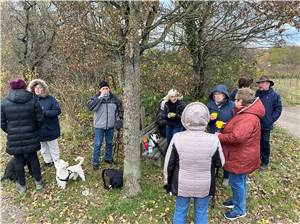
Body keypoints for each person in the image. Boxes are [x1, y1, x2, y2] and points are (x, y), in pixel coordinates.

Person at [164, 102, 225, 224]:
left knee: (180, 210)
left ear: (185, 118)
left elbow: (168, 164)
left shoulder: (177, 137)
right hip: (204, 184)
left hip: (182, 183)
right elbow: (220, 163)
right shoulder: (213, 139)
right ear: (206, 118)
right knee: (201, 212)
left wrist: (167, 182)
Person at [218, 88, 265, 220]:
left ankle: (239, 210)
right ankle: (237, 201)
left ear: (242, 102)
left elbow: (237, 137)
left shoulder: (248, 118)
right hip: (242, 155)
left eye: (236, 100)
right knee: (240, 180)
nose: (234, 101)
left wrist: (220, 136)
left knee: (237, 182)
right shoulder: (245, 113)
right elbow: (240, 130)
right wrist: (227, 126)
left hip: (241, 156)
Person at [1, 78, 44, 193]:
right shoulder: (33, 99)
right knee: (33, 158)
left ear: (11, 88)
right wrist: (33, 129)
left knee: (18, 160)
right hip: (31, 134)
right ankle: (38, 182)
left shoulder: (4, 103)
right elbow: (40, 118)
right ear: (24, 87)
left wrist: (11, 132)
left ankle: (22, 186)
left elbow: (2, 124)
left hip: (14, 137)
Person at [87, 80, 122, 170]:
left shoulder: (114, 99)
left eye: (107, 88)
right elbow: (90, 107)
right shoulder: (95, 98)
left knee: (109, 143)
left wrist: (119, 120)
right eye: (103, 88)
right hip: (99, 126)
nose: (105, 90)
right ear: (100, 90)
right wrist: (100, 97)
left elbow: (119, 110)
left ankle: (108, 158)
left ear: (109, 89)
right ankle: (95, 162)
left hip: (110, 125)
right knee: (98, 144)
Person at [28, 79, 61, 167]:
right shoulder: (31, 100)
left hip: (51, 127)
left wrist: (45, 112)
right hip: (39, 129)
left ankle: (56, 161)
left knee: (53, 146)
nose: (38, 89)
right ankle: (48, 161)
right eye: (36, 88)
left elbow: (57, 111)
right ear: (33, 89)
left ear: (43, 89)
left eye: (40, 88)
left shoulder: (50, 99)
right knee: (43, 147)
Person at [207, 84, 234, 186]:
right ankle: (213, 173)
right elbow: (205, 121)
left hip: (225, 134)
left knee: (225, 155)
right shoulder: (210, 105)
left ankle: (226, 177)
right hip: (212, 133)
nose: (217, 96)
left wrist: (225, 125)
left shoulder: (231, 105)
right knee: (213, 154)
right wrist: (209, 119)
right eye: (215, 94)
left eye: (219, 94)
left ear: (224, 95)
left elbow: (236, 121)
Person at [255, 76, 282, 170]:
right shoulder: (257, 94)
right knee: (256, 142)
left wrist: (270, 119)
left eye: (261, 83)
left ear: (268, 83)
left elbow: (278, 110)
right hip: (256, 123)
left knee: (265, 142)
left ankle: (265, 162)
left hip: (266, 125)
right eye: (259, 83)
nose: (259, 85)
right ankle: (256, 160)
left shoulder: (275, 95)